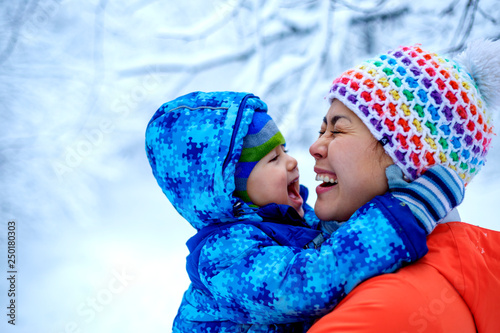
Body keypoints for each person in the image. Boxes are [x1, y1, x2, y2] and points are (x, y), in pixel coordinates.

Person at [145, 91, 463, 332]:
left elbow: (337, 245)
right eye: (272, 159)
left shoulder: (296, 219)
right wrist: (403, 214)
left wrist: (385, 193)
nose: (292, 161)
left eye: (284, 150)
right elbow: (310, 281)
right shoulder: (223, 257)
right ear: (230, 192)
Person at [307, 40, 500, 332]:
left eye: (338, 129)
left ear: (407, 160)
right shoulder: (459, 270)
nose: (315, 147)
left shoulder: (379, 314)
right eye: (322, 130)